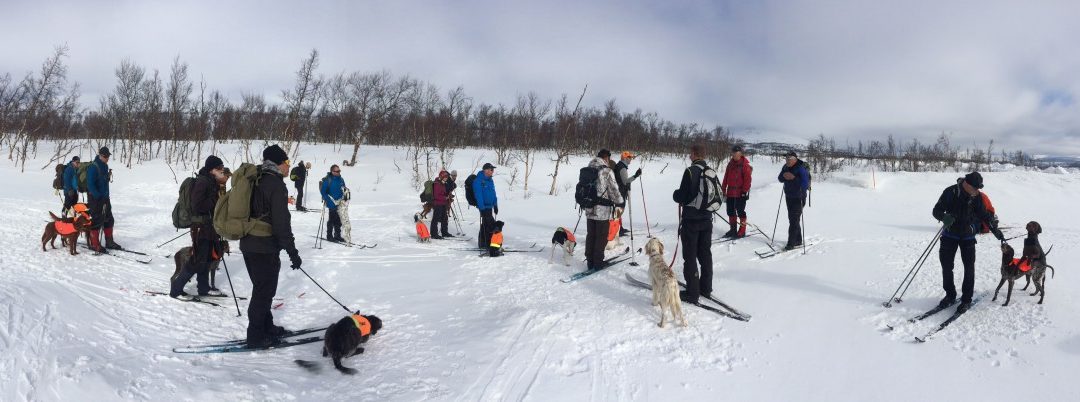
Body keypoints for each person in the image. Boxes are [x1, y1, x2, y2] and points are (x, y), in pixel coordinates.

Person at [240, 144, 302, 348]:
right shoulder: (275, 184)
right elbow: (281, 223)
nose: (288, 167)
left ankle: (267, 327)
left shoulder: (256, 179)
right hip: (263, 246)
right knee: (263, 292)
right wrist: (292, 252)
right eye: (287, 162)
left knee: (262, 290)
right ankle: (255, 337)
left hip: (249, 243)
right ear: (278, 163)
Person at [932, 172, 1004, 312]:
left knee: (969, 269)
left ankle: (966, 300)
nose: (977, 191)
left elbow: (984, 215)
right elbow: (936, 210)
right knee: (947, 267)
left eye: (978, 188)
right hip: (949, 235)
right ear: (966, 183)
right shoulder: (950, 192)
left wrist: (995, 230)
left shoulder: (977, 197)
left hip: (968, 237)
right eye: (975, 188)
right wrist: (944, 217)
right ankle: (950, 295)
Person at [170, 156, 228, 298]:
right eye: (219, 168)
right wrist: (215, 199)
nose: (222, 170)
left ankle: (203, 288)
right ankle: (176, 289)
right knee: (197, 260)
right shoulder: (202, 181)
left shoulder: (212, 182)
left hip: (209, 227)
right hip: (200, 227)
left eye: (222, 168)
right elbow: (197, 205)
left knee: (207, 259)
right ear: (212, 169)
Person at [671, 144, 715, 303]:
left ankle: (692, 292)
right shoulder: (710, 171)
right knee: (705, 254)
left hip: (691, 220)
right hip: (707, 220)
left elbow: (683, 196)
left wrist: (675, 195)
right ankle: (706, 287)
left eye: (690, 153)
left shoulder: (690, 171)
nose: (689, 155)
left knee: (690, 256)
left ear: (695, 154)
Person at [584, 149, 623, 270]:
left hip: (589, 208)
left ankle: (590, 261)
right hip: (602, 210)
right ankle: (598, 262)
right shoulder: (606, 171)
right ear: (606, 158)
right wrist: (620, 202)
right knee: (601, 236)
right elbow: (614, 190)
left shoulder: (588, 168)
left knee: (591, 235)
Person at [86, 146, 122, 252]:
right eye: (106, 156)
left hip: (105, 198)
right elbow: (90, 184)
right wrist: (98, 196)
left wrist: (105, 195)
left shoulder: (105, 166)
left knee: (109, 219)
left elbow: (104, 182)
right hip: (95, 198)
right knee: (97, 220)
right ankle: (94, 244)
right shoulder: (93, 167)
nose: (107, 158)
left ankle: (109, 242)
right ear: (100, 155)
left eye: (108, 156)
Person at [777, 150, 810, 250]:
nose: (787, 160)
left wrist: (793, 178)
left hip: (799, 197)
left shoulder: (801, 168)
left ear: (795, 159)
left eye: (789, 159)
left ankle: (791, 243)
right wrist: (784, 176)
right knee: (793, 219)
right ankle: (798, 240)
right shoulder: (785, 167)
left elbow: (805, 185)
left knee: (793, 220)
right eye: (786, 158)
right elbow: (779, 178)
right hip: (789, 196)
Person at [721, 145, 753, 238]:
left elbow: (748, 180)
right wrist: (723, 188)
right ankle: (733, 230)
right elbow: (726, 177)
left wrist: (744, 192)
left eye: (737, 153)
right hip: (730, 192)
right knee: (730, 211)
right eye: (733, 153)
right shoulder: (730, 164)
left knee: (741, 212)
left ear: (740, 154)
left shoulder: (745, 165)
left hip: (740, 193)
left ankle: (742, 231)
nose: (735, 155)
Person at [613, 151, 642, 236]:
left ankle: (619, 228)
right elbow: (625, 181)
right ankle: (616, 230)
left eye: (631, 157)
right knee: (618, 211)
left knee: (618, 211)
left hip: (619, 191)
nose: (631, 159)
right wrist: (636, 175)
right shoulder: (622, 168)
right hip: (619, 192)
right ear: (625, 158)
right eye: (629, 157)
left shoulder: (620, 166)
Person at [473, 163, 499, 249]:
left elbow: (493, 193)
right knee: (489, 225)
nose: (492, 171)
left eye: (493, 169)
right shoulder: (478, 181)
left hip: (490, 206)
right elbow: (478, 195)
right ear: (486, 170)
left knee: (485, 224)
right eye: (491, 169)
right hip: (484, 207)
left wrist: (495, 205)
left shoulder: (490, 180)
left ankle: (482, 244)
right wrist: (482, 208)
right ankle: (488, 245)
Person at [320, 165, 346, 242]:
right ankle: (329, 236)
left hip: (340, 203)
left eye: (339, 171)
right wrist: (328, 199)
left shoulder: (341, 179)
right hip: (331, 203)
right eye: (337, 171)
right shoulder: (328, 180)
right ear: (332, 171)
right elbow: (323, 192)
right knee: (331, 220)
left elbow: (344, 189)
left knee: (339, 220)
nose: (338, 172)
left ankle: (337, 235)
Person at [430, 170, 453, 239]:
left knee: (444, 218)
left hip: (443, 203)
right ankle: (434, 234)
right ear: (442, 176)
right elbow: (436, 196)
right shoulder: (437, 183)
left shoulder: (442, 183)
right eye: (445, 177)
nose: (446, 178)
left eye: (447, 177)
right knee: (435, 219)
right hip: (438, 203)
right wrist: (445, 197)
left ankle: (444, 232)